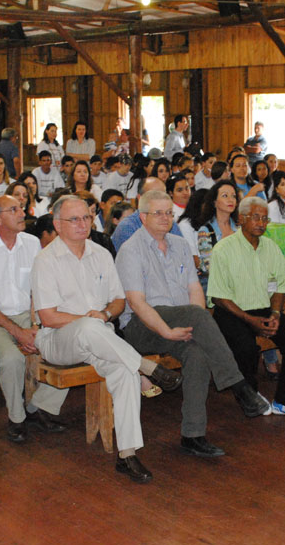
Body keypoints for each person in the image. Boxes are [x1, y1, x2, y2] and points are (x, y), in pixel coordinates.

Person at [31, 196, 180, 483]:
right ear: (58, 225)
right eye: (74, 220)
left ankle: (127, 454)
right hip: (58, 340)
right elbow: (48, 317)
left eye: (86, 218)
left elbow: (119, 302)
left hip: (101, 339)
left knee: (123, 372)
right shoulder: (45, 260)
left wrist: (104, 314)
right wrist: (92, 319)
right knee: (89, 327)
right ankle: (148, 368)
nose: (82, 224)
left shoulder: (100, 253)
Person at [117, 191, 272, 455]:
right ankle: (240, 387)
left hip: (182, 321)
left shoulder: (179, 245)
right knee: (197, 315)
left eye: (169, 212)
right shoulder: (130, 250)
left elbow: (195, 290)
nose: (166, 218)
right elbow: (137, 303)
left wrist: (193, 330)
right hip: (142, 327)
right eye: (158, 213)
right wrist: (170, 329)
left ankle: (193, 435)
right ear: (143, 217)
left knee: (197, 353)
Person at [0, 195, 62, 435]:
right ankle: (16, 418)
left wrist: (36, 325)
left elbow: (36, 290)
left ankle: (38, 407)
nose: (21, 213)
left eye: (21, 208)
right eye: (13, 209)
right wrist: (18, 332)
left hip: (27, 316)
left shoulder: (30, 243)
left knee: (64, 345)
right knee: (11, 358)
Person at [207, 197, 285, 420]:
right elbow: (218, 296)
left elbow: (281, 286)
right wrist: (248, 319)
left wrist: (274, 314)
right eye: (256, 217)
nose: (261, 223)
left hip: (263, 309)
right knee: (245, 347)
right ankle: (250, 397)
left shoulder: (271, 247)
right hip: (232, 312)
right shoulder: (223, 249)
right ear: (242, 219)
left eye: (265, 218)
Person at [111, 177, 185, 252]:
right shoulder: (127, 227)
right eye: (154, 196)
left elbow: (182, 253)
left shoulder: (170, 223)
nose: (160, 200)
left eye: (163, 195)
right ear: (140, 198)